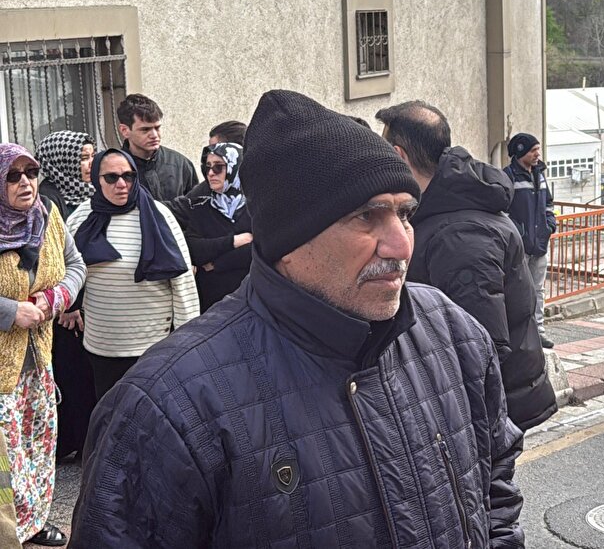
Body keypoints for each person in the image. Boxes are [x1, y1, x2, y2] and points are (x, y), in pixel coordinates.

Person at [71, 90, 525, 547]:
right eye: (368, 215)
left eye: (405, 213)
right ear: (291, 239)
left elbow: (495, 490)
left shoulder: (453, 333)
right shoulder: (164, 410)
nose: (403, 244)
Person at [378, 101, 558, 431]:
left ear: (399, 156)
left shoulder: (460, 235)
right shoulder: (449, 208)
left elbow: (478, 349)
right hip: (486, 404)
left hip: (481, 415)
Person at [0, 145, 86, 546]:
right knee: (6, 454)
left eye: (30, 172)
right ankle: (7, 529)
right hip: (3, 364)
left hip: (40, 354)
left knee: (38, 441)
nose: (25, 183)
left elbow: (76, 266)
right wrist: (9, 311)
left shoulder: (48, 215)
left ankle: (32, 522)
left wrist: (54, 300)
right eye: (13, 176)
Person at [64, 149, 199, 400]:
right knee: (110, 419)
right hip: (102, 347)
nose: (122, 184)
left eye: (128, 176)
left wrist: (187, 338)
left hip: (153, 347)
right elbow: (68, 269)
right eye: (112, 178)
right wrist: (69, 305)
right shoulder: (81, 218)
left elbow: (183, 282)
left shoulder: (159, 215)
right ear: (96, 179)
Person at [33, 131, 98, 464]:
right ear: (62, 161)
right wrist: (68, 305)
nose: (88, 164)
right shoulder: (48, 198)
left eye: (90, 156)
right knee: (68, 375)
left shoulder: (86, 192)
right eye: (82, 158)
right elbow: (53, 257)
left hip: (77, 299)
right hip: (58, 310)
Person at [184, 143, 252, 312]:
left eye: (219, 167)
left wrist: (217, 263)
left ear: (235, 168)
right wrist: (234, 241)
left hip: (248, 300)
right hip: (210, 303)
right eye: (208, 168)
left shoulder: (255, 208)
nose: (211, 173)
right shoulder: (200, 207)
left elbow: (260, 250)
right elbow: (194, 250)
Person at [503, 133, 556, 349]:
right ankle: (518, 333)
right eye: (533, 150)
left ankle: (539, 332)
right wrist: (517, 233)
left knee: (538, 290)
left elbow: (548, 204)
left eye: (538, 149)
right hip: (520, 246)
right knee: (517, 290)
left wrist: (549, 225)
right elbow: (502, 210)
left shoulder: (540, 175)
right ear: (521, 151)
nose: (538, 154)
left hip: (540, 244)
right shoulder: (508, 177)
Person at [116, 93, 199, 202]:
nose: (154, 135)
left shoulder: (181, 164)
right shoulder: (113, 169)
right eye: (145, 130)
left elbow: (195, 208)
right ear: (124, 131)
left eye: (157, 128)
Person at [166, 120, 248, 227]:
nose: (210, 154)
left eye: (216, 149)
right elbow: (178, 210)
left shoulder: (265, 191)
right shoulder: (209, 190)